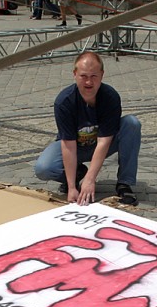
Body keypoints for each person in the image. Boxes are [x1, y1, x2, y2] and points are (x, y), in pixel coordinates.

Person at [34, 51, 141, 206]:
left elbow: (104, 142)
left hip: (102, 143)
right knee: (43, 168)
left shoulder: (110, 97)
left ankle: (125, 183)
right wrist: (72, 187)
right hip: (74, 146)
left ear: (102, 75)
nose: (89, 82)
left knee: (132, 124)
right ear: (75, 74)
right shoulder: (64, 101)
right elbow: (68, 145)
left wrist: (90, 180)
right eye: (83, 76)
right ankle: (76, 174)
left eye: (94, 76)